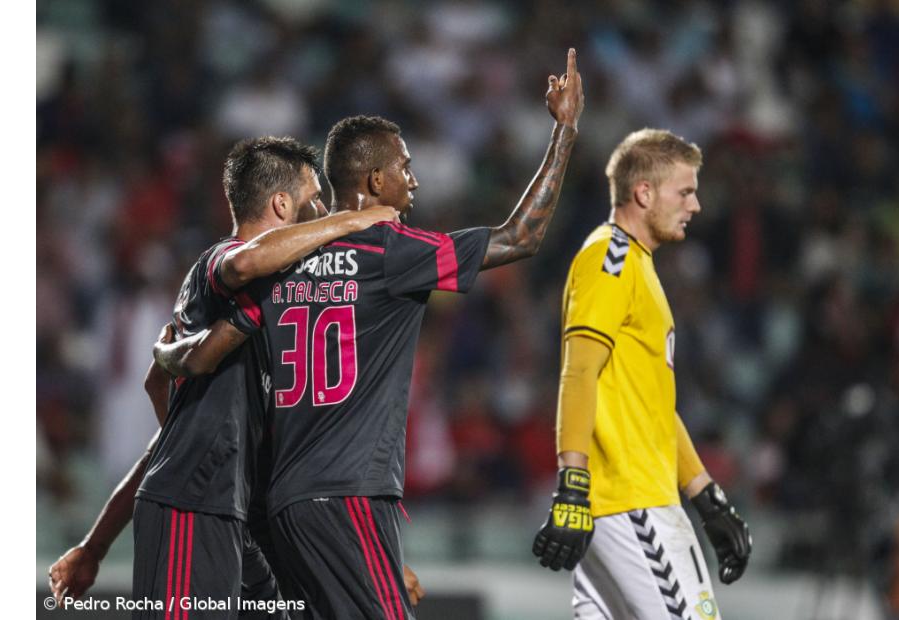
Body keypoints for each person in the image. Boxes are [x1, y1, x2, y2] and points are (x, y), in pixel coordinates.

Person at [154, 48, 584, 620]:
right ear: (375, 179)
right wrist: (565, 132)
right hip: (349, 490)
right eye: (405, 167)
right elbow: (520, 237)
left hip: (281, 506)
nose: (414, 179)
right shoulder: (390, 251)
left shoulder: (278, 265)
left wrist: (168, 353)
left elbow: (206, 357)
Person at [47, 136, 399, 619]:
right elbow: (246, 261)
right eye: (314, 197)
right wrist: (355, 220)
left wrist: (95, 546)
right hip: (194, 509)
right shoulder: (220, 263)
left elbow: (164, 408)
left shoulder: (277, 302)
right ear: (281, 203)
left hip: (236, 511)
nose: (323, 208)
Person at [531, 129, 752, 619]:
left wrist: (707, 497)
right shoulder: (609, 259)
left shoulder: (639, 265)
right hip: (630, 503)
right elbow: (578, 373)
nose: (696, 205)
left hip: (634, 501)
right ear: (644, 192)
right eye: (686, 191)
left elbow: (654, 408)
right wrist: (572, 484)